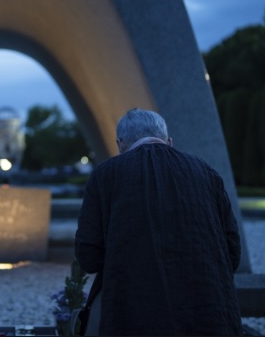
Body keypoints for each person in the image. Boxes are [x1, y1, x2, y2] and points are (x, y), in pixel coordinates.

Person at [75, 108, 242, 336]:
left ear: (120, 144)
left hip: (133, 315)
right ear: (169, 141)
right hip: (208, 311)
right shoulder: (207, 173)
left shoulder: (105, 175)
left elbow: (88, 256)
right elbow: (232, 252)